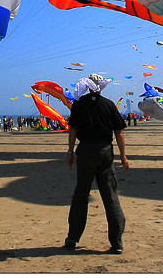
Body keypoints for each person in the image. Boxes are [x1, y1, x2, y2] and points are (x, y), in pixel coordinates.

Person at [64, 74, 128, 254]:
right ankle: (116, 243)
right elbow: (119, 133)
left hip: (85, 151)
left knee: (81, 195)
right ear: (100, 87)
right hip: (105, 151)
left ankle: (73, 237)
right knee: (110, 196)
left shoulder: (79, 105)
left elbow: (73, 130)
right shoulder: (108, 105)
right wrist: (123, 156)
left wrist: (70, 152)